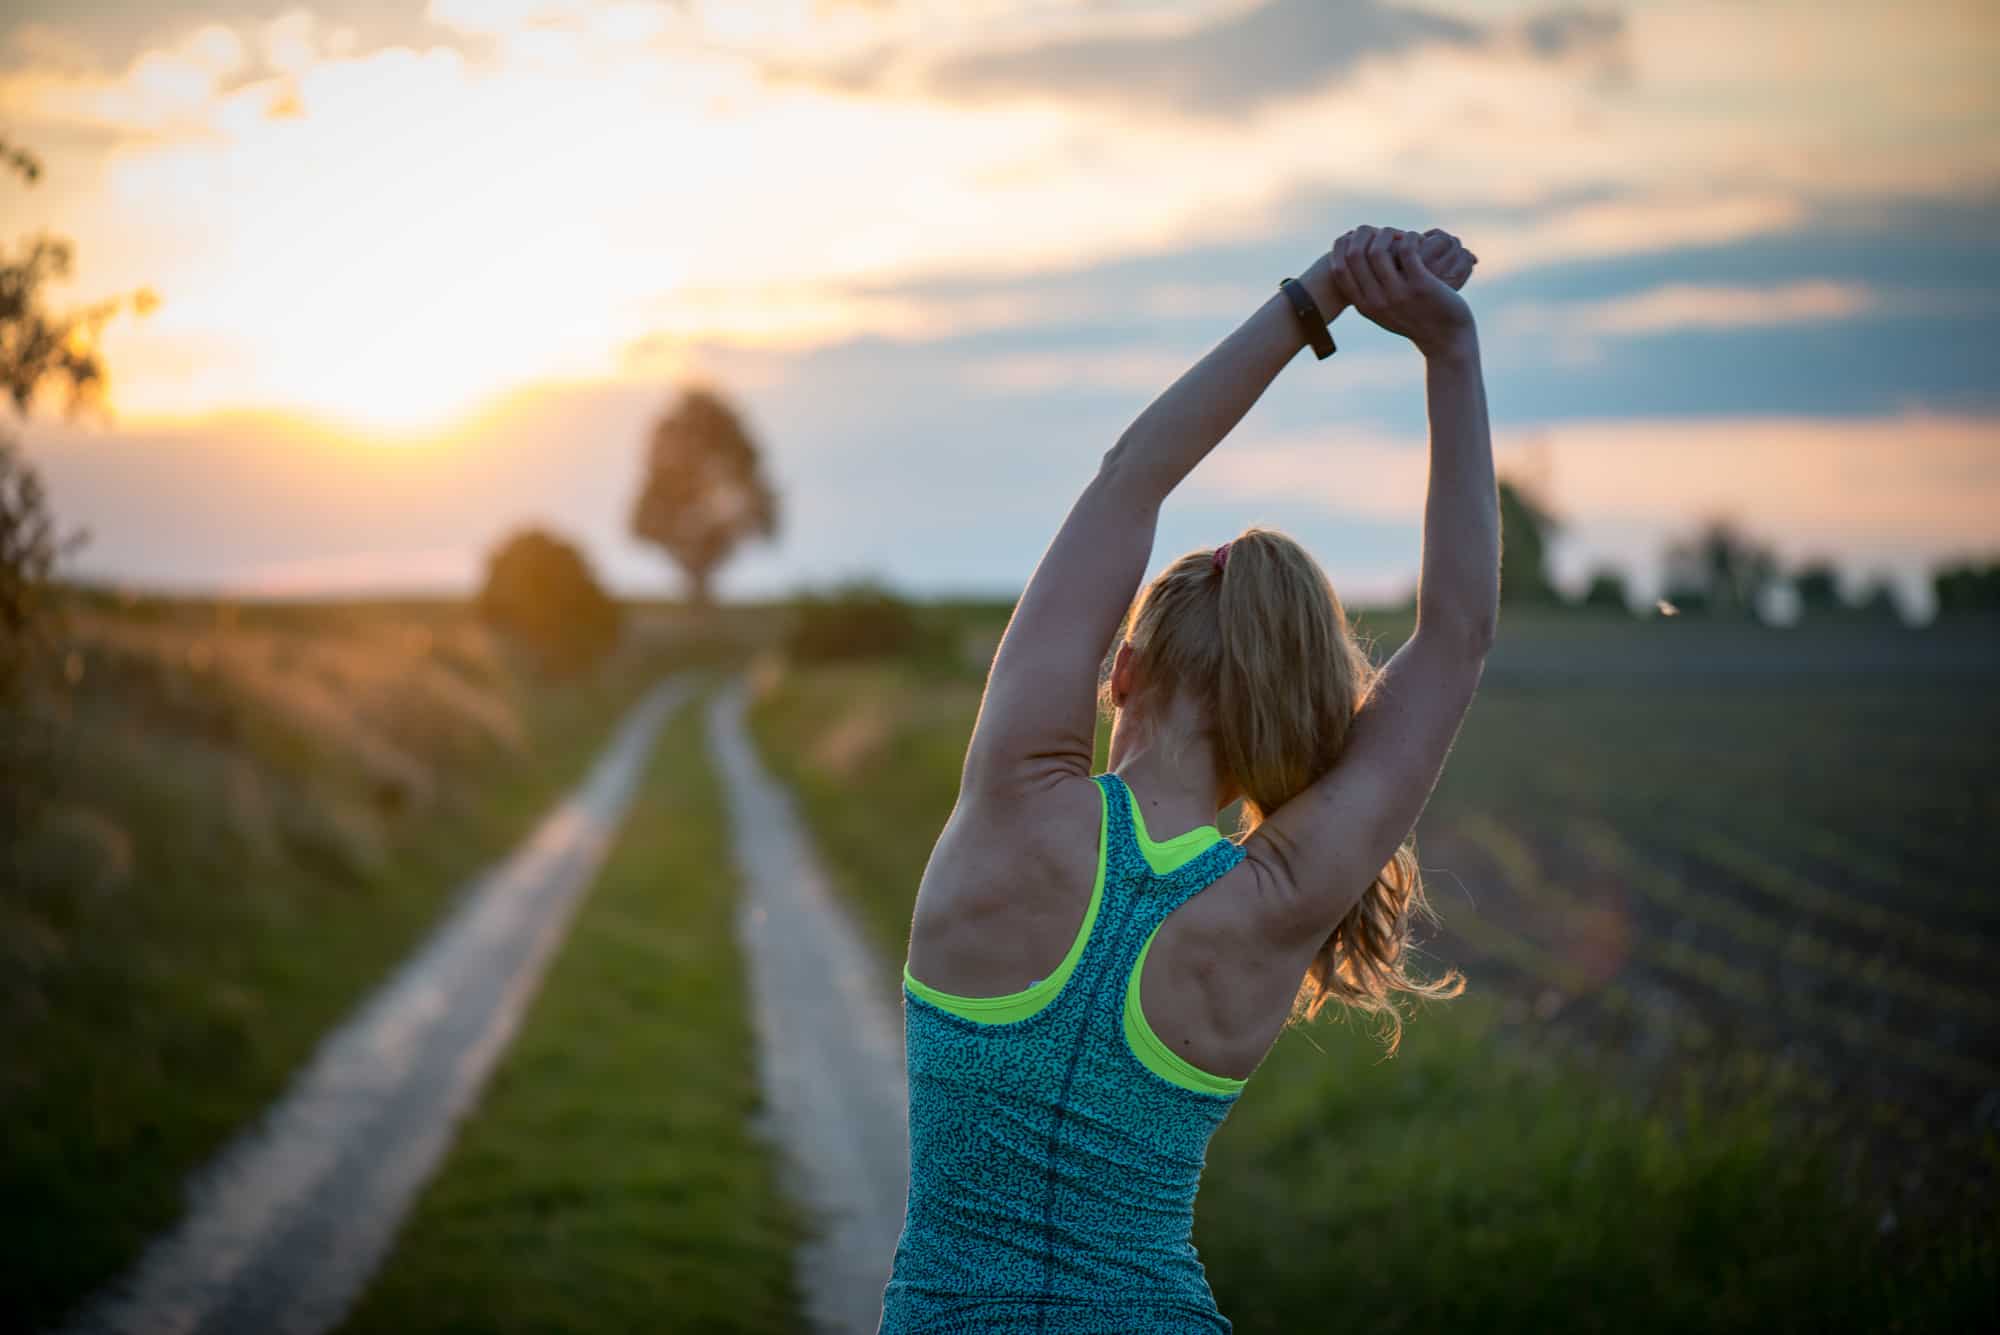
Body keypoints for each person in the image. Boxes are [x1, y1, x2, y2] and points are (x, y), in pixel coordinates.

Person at [881, 225, 1497, 1332]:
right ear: (1288, 730)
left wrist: (1313, 300)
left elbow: (1132, 477)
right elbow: (1453, 638)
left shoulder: (1015, 799)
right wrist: (1447, 354)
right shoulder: (1273, 899)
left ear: (1119, 672)